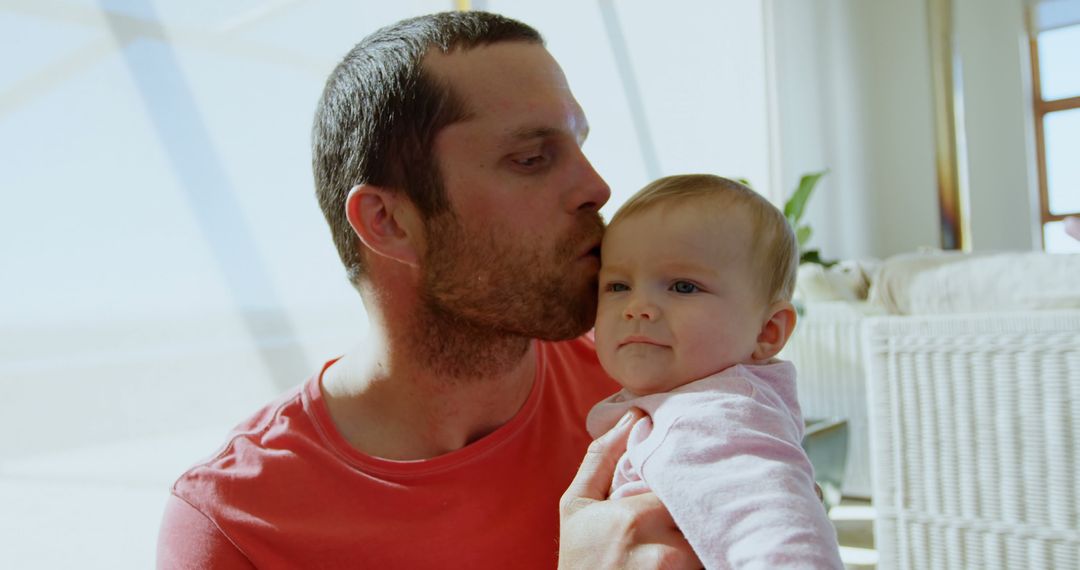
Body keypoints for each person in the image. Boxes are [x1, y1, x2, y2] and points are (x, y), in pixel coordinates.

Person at [157, 11, 699, 569]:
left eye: (579, 146)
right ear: (387, 221)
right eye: (532, 159)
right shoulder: (234, 523)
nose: (596, 187)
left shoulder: (661, 385)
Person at [586, 174, 844, 569]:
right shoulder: (689, 405)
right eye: (618, 286)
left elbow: (785, 541)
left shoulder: (712, 417)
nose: (637, 307)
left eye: (683, 287)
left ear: (767, 331)